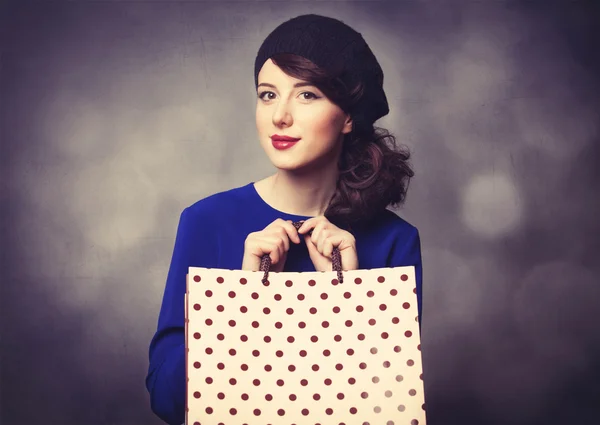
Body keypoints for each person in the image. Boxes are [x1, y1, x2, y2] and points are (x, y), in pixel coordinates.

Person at [145, 13, 423, 425]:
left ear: (348, 116)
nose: (280, 116)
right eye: (268, 94)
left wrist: (346, 297)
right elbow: (167, 400)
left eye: (306, 95)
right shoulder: (206, 221)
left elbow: (391, 409)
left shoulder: (394, 240)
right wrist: (242, 300)